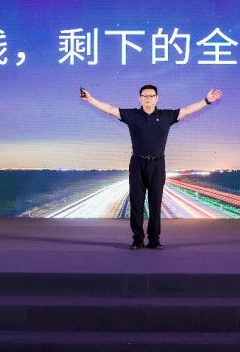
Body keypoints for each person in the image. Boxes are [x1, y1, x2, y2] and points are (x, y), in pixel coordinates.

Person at [80, 85, 223, 250]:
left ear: (157, 98)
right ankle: (138, 240)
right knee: (136, 203)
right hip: (137, 164)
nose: (148, 99)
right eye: (145, 96)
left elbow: (187, 110)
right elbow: (110, 109)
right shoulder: (132, 115)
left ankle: (154, 239)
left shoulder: (166, 116)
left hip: (157, 165)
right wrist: (90, 99)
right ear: (140, 98)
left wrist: (206, 101)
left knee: (155, 203)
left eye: (151, 96)